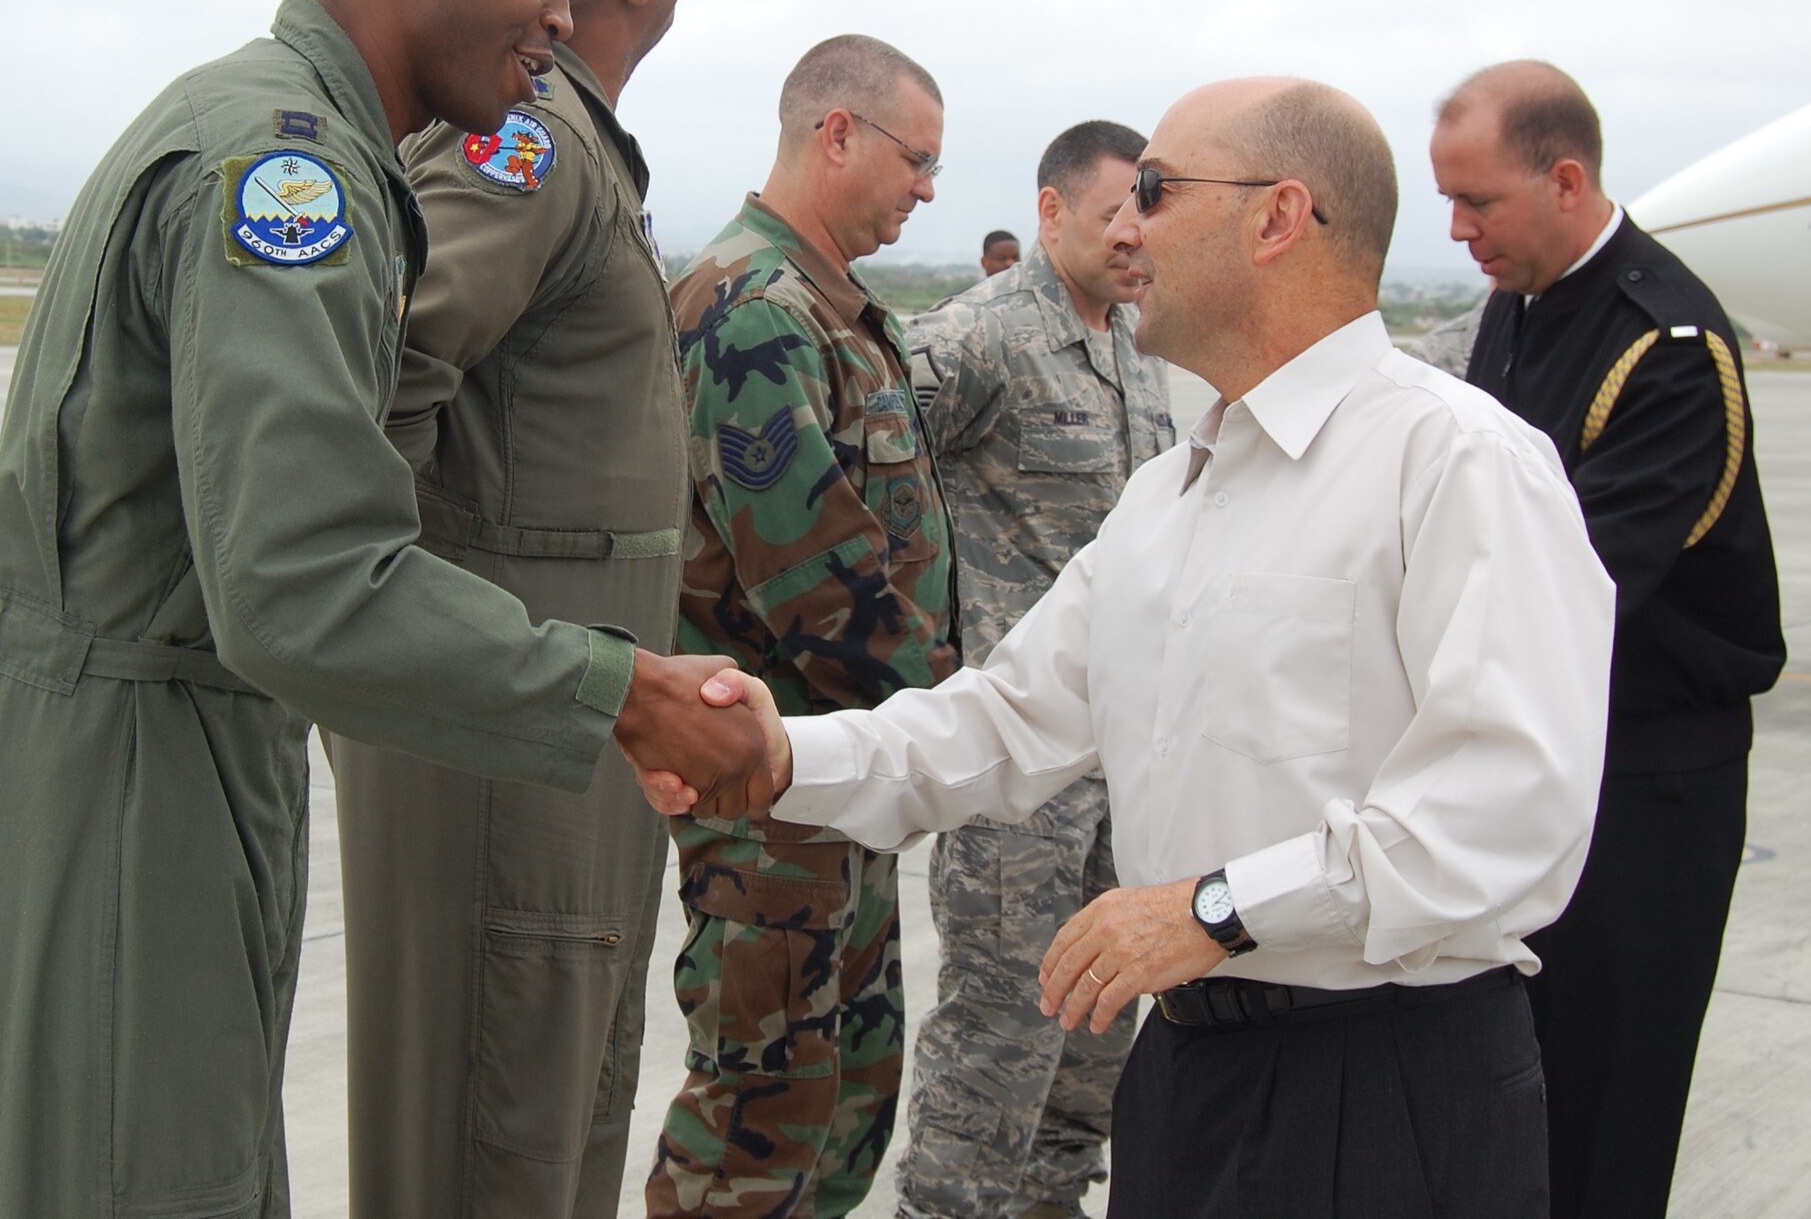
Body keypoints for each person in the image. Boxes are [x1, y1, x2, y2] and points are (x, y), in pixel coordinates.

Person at [0, 0, 767, 1219]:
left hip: (98, 758)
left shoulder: (258, 119)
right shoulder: (288, 175)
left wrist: (16, 836)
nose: (562, 7)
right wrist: (618, 691)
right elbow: (301, 576)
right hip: (124, 767)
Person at [647, 76, 1619, 1219]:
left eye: (1154, 191)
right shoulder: (1172, 490)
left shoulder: (1454, 462)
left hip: (1380, 1080)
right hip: (1189, 1070)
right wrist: (775, 753)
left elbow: (1508, 808)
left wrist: (1212, 907)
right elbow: (1002, 719)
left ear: (1276, 217)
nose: (1125, 226)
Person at [325, 0, 690, 1218]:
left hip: (566, 714)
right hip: (503, 723)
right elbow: (376, 378)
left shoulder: (578, 143)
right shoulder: (525, 148)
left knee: (555, 1114)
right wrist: (412, 623)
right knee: (492, 1121)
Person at [1430, 60, 1786, 1219]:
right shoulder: (1518, 309)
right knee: (1510, 1098)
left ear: (1565, 179)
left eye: (1476, 201)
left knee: (1604, 1110)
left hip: (1645, 787)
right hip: (1543, 760)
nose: (1456, 229)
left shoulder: (1663, 344)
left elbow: (1571, 586)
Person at [648, 34, 961, 1219]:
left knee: (842, 1109)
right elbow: (816, 586)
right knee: (754, 1130)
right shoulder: (754, 309)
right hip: (771, 801)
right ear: (837, 132)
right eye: (915, 159)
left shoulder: (829, 305)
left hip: (842, 784)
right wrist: (960, 723)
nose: (925, 189)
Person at [895, 119, 1174, 1219]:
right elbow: (860, 478)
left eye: (1144, 211)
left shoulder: (1136, 342)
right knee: (994, 1050)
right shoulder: (974, 338)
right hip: (1021, 774)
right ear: (1049, 210)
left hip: (1125, 764)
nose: (1131, 233)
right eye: (1111, 211)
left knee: (1092, 1056)